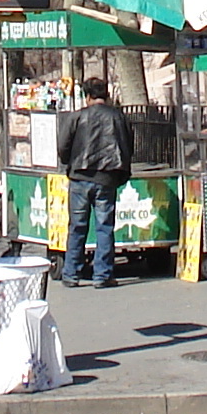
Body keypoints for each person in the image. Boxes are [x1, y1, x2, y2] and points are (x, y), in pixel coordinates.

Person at [58, 78, 132, 288]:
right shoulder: (118, 117)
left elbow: (63, 147)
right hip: (106, 177)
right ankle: (103, 274)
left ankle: (71, 273)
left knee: (77, 227)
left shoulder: (77, 117)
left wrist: (70, 163)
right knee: (104, 226)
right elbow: (128, 145)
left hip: (80, 176)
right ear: (106, 95)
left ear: (87, 96)